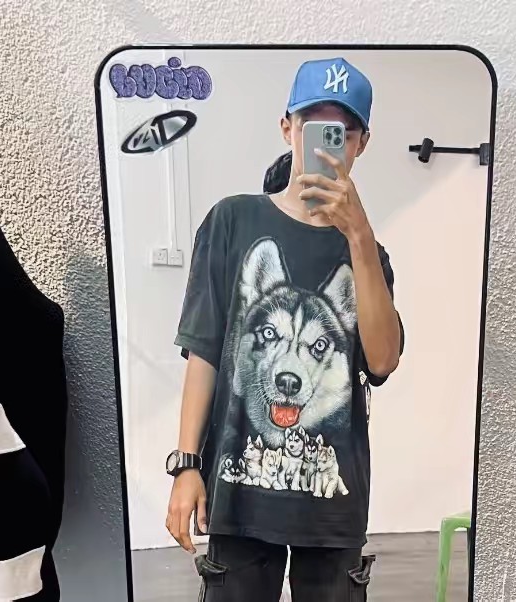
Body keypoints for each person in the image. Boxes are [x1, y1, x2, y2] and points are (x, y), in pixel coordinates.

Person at [165, 57, 404, 602]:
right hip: (240, 490)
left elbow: (383, 361)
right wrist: (186, 465)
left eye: (342, 131)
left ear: (362, 143)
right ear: (287, 128)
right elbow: (204, 351)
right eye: (313, 125)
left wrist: (360, 237)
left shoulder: (369, 254)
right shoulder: (232, 221)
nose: (327, 143)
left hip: (333, 499)